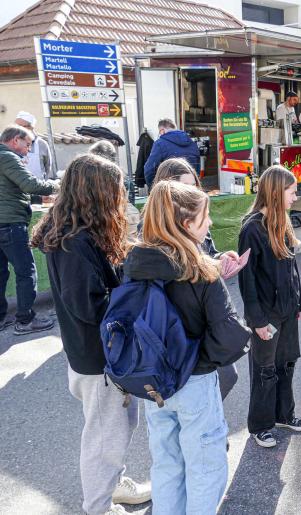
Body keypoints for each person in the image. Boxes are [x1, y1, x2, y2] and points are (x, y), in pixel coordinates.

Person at [31, 154, 150, 515]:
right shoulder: (75, 242)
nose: (120, 197)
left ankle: (113, 488)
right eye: (115, 190)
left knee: (114, 429)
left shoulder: (71, 231)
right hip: (96, 358)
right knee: (104, 438)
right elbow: (90, 306)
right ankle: (98, 506)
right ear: (94, 192)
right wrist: (129, 295)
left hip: (89, 354)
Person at [123, 180, 251, 514]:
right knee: (205, 467)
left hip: (154, 381)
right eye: (204, 217)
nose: (209, 223)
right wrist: (201, 360)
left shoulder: (134, 262)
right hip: (194, 380)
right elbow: (228, 334)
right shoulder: (200, 269)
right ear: (185, 224)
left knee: (166, 464)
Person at [151, 158, 242, 402]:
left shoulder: (196, 219)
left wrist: (222, 259)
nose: (193, 193)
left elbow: (208, 254)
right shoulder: (153, 233)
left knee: (225, 378)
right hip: (180, 331)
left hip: (200, 325)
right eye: (186, 187)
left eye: (195, 186)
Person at [238, 165, 301, 448]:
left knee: (286, 364)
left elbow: (292, 270)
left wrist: (297, 302)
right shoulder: (252, 228)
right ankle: (260, 425)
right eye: (292, 192)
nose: (295, 197)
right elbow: (248, 281)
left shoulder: (282, 222)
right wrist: (257, 320)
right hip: (265, 315)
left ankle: (283, 414)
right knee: (264, 370)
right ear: (277, 192)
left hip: (287, 310)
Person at [0, 124, 59, 334]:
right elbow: (30, 184)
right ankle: (25, 319)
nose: (28, 150)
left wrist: (36, 197)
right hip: (11, 224)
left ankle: (1, 318)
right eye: (27, 144)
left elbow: (9, 190)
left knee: (1, 273)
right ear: (15, 140)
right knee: (26, 272)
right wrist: (59, 184)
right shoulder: (8, 157)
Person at [88, 141, 141, 240]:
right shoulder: (124, 177)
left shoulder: (96, 180)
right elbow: (129, 203)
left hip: (112, 224)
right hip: (126, 222)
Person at [142, 119, 199, 188]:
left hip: (171, 189)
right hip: (190, 188)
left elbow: (149, 169)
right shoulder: (191, 142)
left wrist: (152, 188)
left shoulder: (160, 143)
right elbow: (197, 167)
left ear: (162, 131)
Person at [14, 111, 54, 180]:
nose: (16, 129)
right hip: (17, 189)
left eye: (20, 126)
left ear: (30, 127)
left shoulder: (42, 144)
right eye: (15, 126)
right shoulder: (11, 143)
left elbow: (48, 167)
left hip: (39, 188)